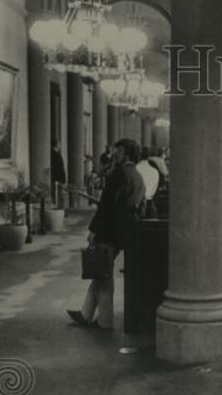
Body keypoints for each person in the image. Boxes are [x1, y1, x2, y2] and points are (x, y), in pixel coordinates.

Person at [67, 139, 145, 330]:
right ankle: (86, 314)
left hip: (109, 230)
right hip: (123, 231)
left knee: (104, 276)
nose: (114, 153)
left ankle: (105, 321)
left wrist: (95, 230)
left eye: (118, 150)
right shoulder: (137, 175)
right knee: (100, 271)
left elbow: (106, 207)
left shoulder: (119, 174)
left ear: (126, 153)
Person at [136, 146, 160, 219]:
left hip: (137, 208)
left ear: (138, 155)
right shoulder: (155, 171)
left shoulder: (135, 169)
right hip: (150, 207)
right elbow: (154, 189)